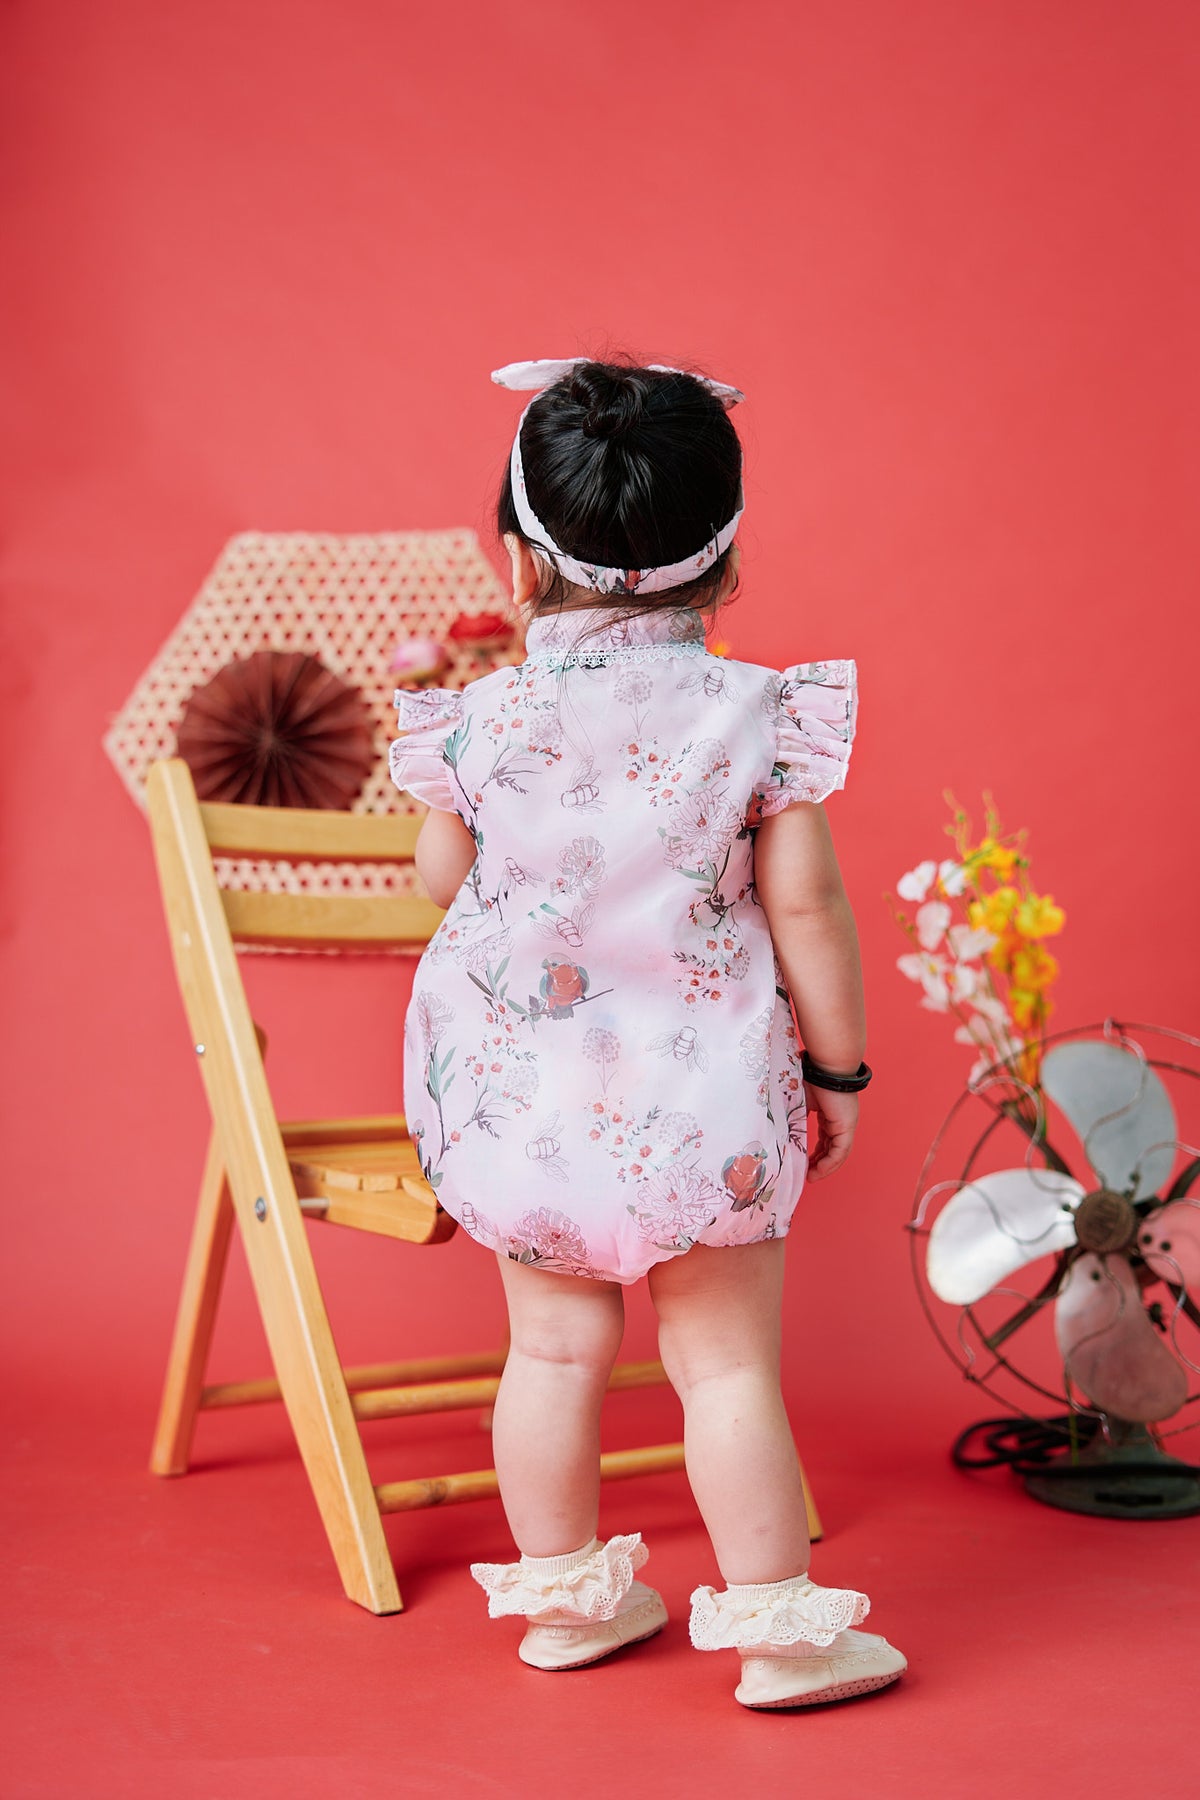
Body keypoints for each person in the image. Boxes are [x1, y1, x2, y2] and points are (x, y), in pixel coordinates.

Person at [388, 356, 906, 1709]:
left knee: (552, 1355)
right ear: (724, 562)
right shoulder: (759, 715)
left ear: (518, 560)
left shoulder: (480, 721)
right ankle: (785, 1638)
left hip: (526, 1110)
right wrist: (837, 1069)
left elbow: (442, 880)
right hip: (705, 1109)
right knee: (724, 1367)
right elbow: (809, 909)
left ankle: (569, 1610)